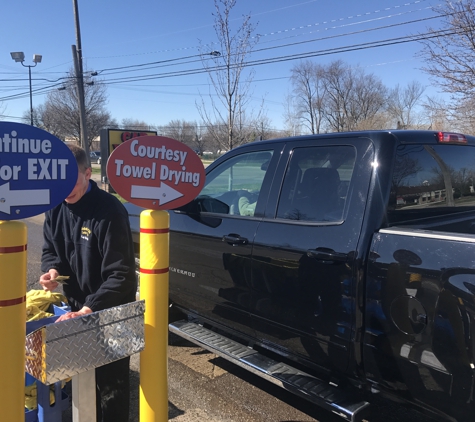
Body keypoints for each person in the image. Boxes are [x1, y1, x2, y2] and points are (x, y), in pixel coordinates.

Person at [39, 144, 137, 422]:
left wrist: (89, 308)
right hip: (77, 309)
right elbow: (50, 251)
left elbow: (121, 275)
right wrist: (52, 271)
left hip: (113, 311)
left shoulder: (110, 212)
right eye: (60, 180)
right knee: (83, 383)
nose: (66, 187)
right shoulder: (55, 204)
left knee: (112, 387)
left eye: (72, 179)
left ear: (87, 172)